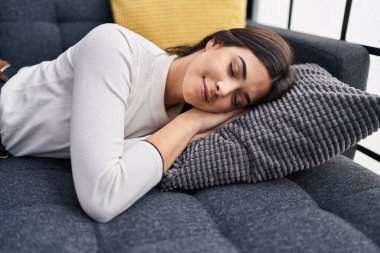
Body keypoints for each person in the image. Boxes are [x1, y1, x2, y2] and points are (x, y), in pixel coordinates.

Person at [0, 23, 295, 222]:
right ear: (214, 44)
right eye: (233, 69)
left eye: (238, 100)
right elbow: (102, 198)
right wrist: (192, 122)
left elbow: (116, 168)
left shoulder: (175, 120)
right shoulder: (114, 47)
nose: (224, 90)